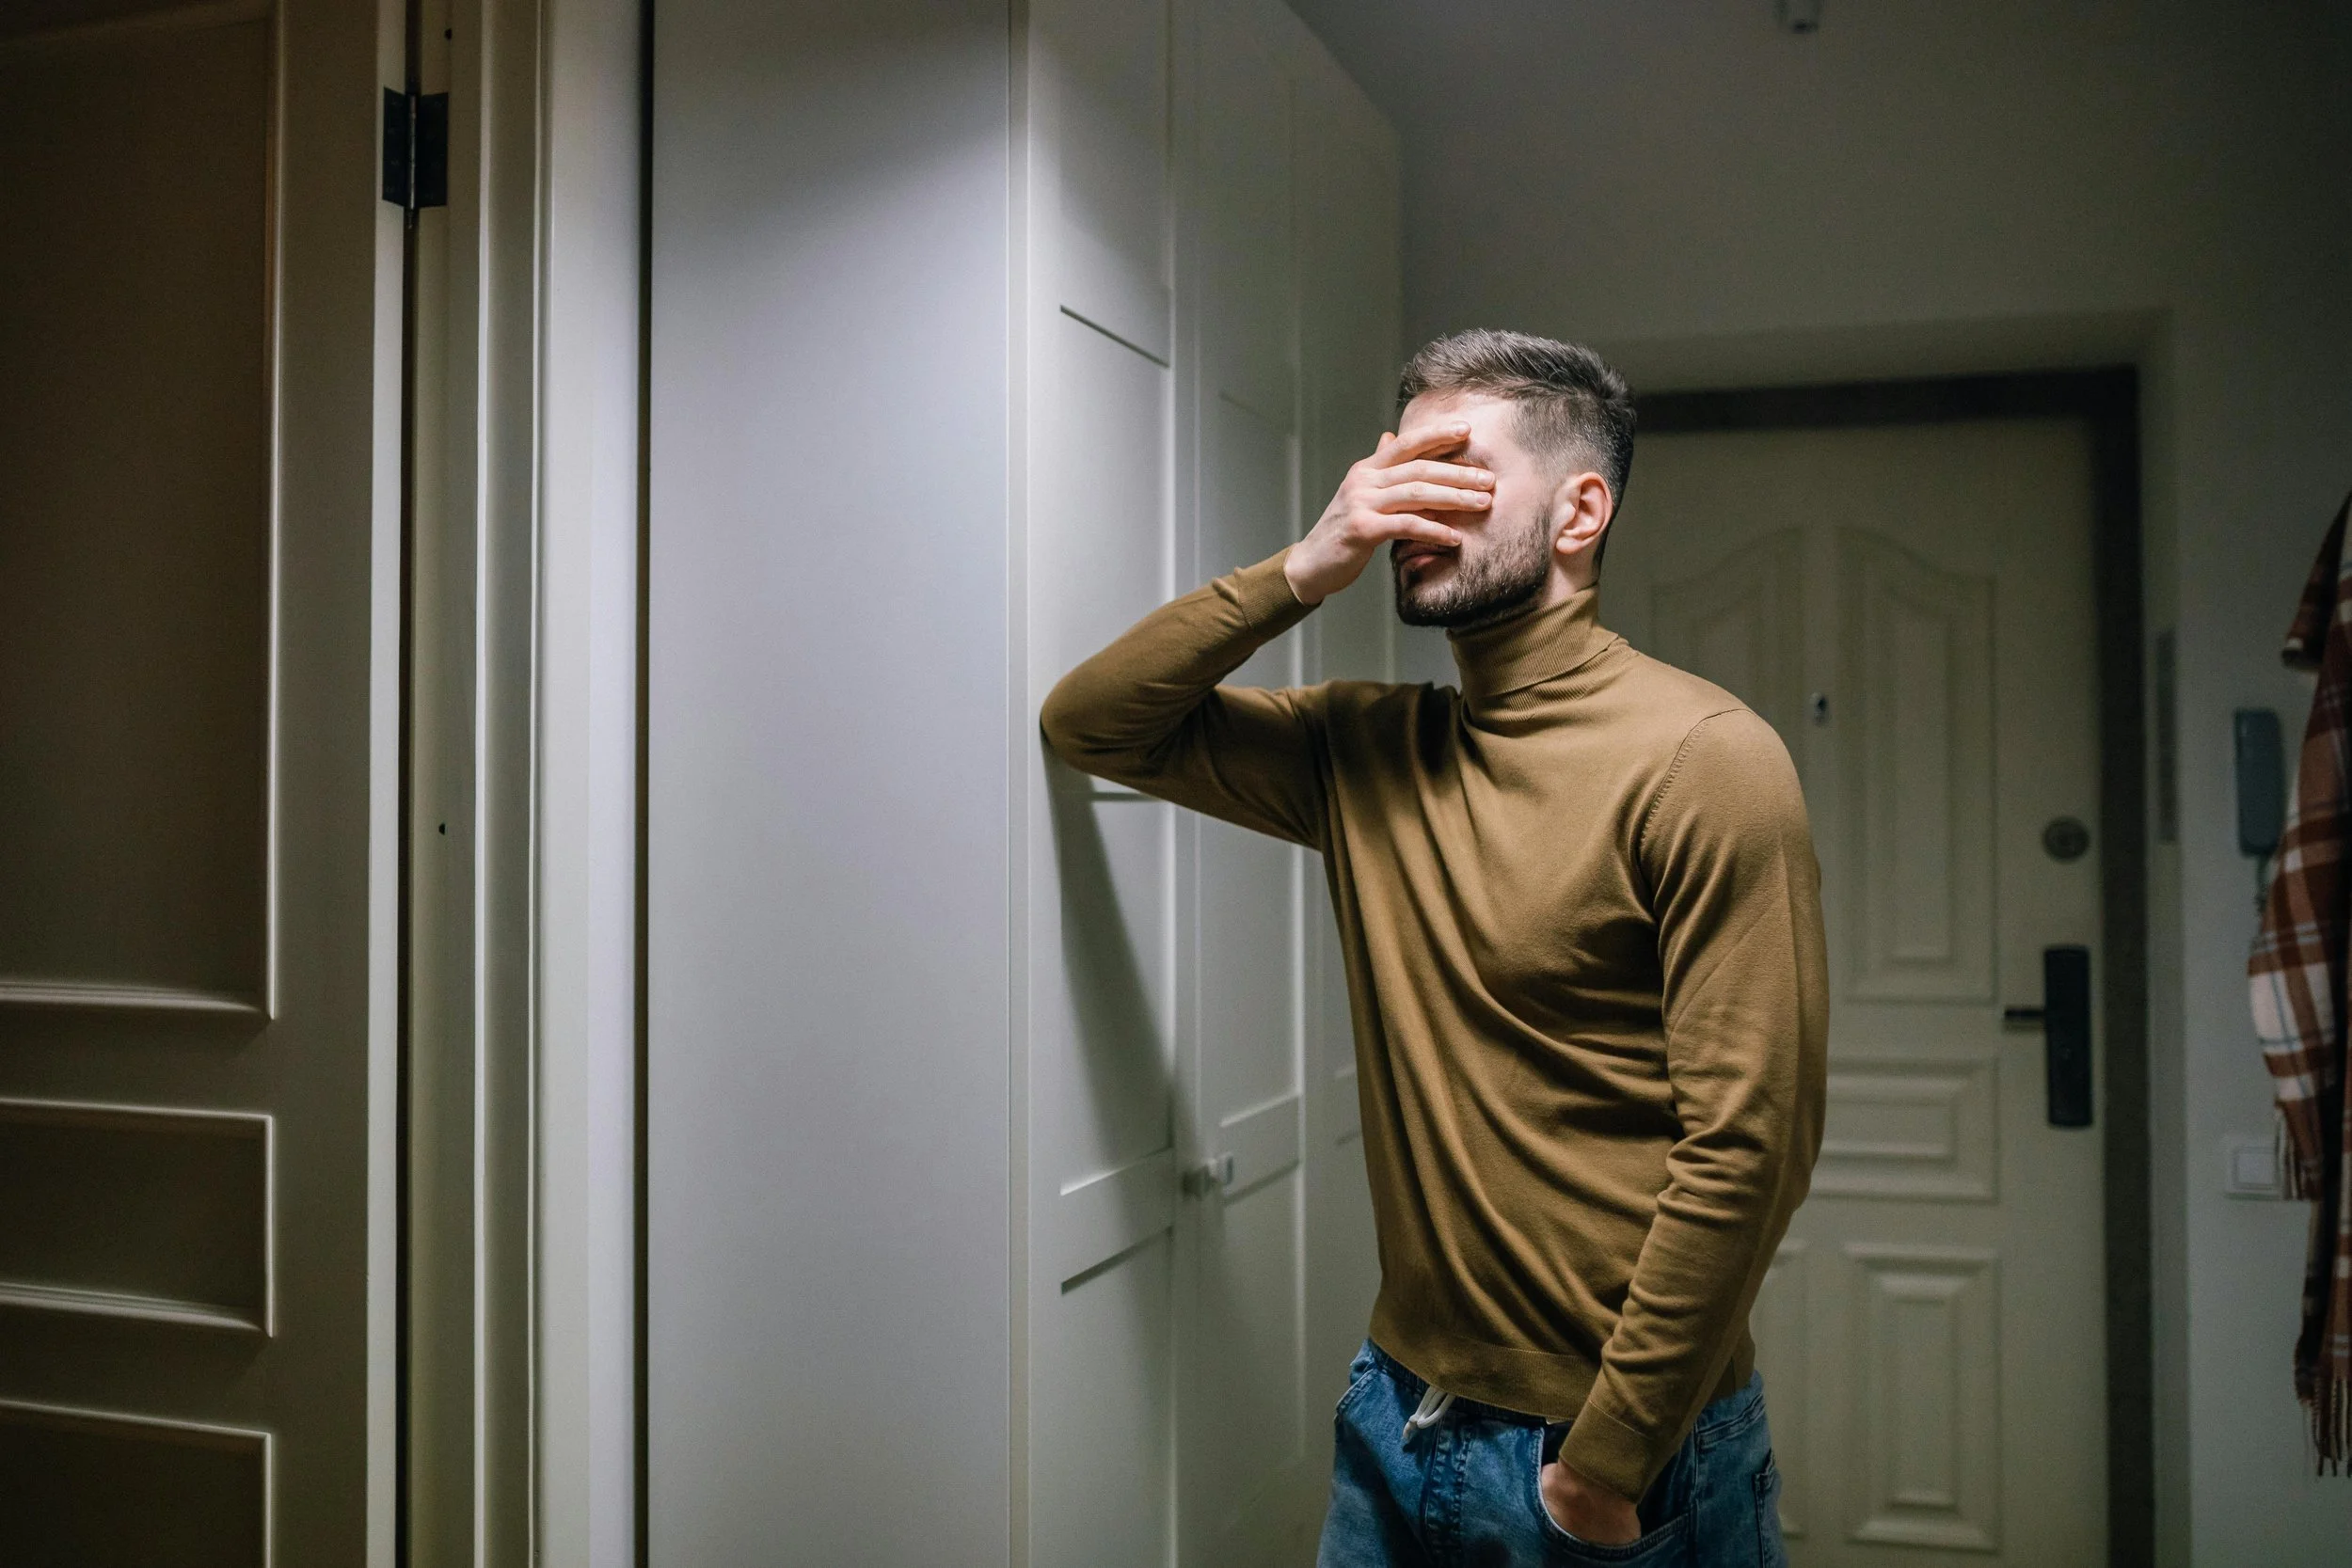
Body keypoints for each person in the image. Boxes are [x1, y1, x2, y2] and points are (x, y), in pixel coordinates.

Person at [1041, 328, 1826, 1566]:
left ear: (1582, 509)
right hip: (1396, 1410)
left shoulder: (1708, 759)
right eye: (1391, 469)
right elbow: (1092, 720)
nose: (1405, 505)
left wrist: (1608, 1459)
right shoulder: (1363, 749)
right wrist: (1305, 566)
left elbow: (1753, 1142)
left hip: (1614, 1449)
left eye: (1452, 470)